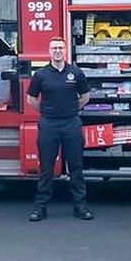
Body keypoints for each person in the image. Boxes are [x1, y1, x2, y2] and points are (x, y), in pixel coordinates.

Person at [27, 36, 92, 221]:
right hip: (49, 124)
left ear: (65, 51)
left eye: (60, 48)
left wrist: (71, 110)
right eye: (54, 48)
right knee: (46, 168)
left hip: (71, 123)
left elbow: (85, 96)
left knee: (76, 167)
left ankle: (80, 206)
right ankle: (40, 207)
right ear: (49, 51)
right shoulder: (40, 75)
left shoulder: (76, 73)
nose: (57, 51)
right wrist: (48, 112)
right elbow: (31, 100)